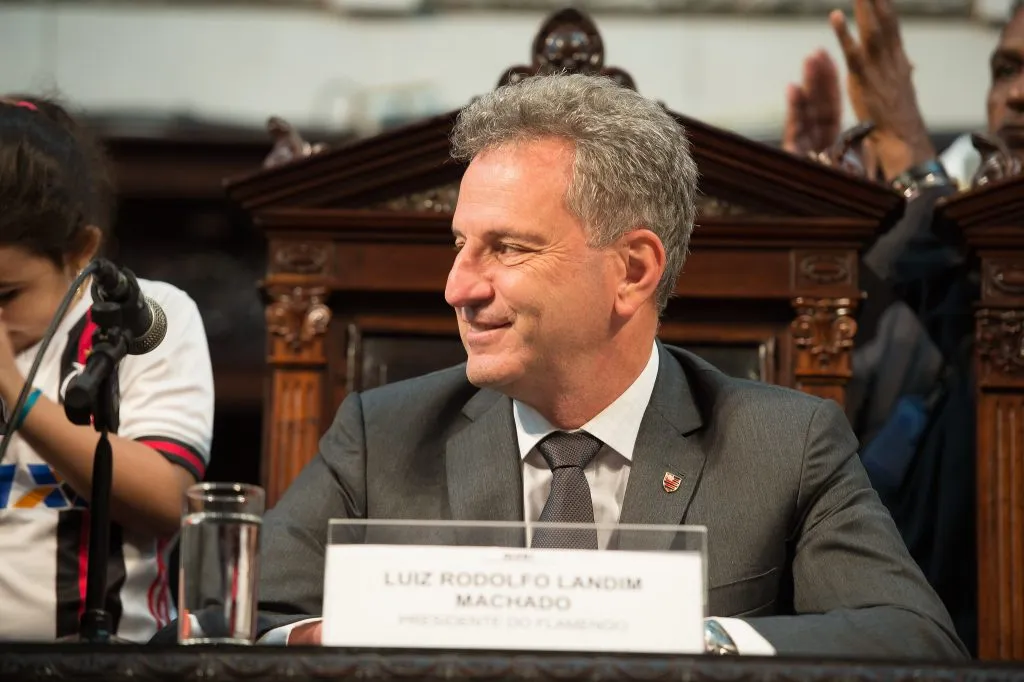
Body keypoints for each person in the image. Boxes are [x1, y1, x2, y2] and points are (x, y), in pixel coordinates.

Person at [238, 73, 967, 658]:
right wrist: (327, 640)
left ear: (633, 269)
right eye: (458, 245)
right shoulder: (383, 437)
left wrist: (698, 644)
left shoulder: (784, 446)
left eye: (509, 248)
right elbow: (234, 620)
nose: (458, 287)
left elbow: (916, 642)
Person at [780, 0, 1024, 656]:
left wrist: (912, 164)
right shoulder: (947, 268)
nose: (1017, 94)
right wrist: (821, 243)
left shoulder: (967, 274)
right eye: (1005, 69)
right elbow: (842, 425)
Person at [0, 96, 215, 642]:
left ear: (81, 250)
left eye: (6, 294)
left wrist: (14, 391)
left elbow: (166, 500)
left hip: (111, 659)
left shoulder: (144, 320)